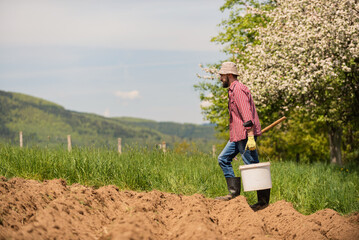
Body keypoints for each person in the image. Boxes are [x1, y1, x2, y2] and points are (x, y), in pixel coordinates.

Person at [215, 62, 270, 211]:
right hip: (237, 135)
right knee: (223, 159)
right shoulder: (232, 90)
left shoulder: (238, 89)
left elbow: (246, 113)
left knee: (253, 165)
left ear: (229, 75)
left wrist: (250, 135)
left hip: (245, 135)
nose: (220, 78)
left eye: (222, 75)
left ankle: (263, 203)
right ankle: (234, 195)